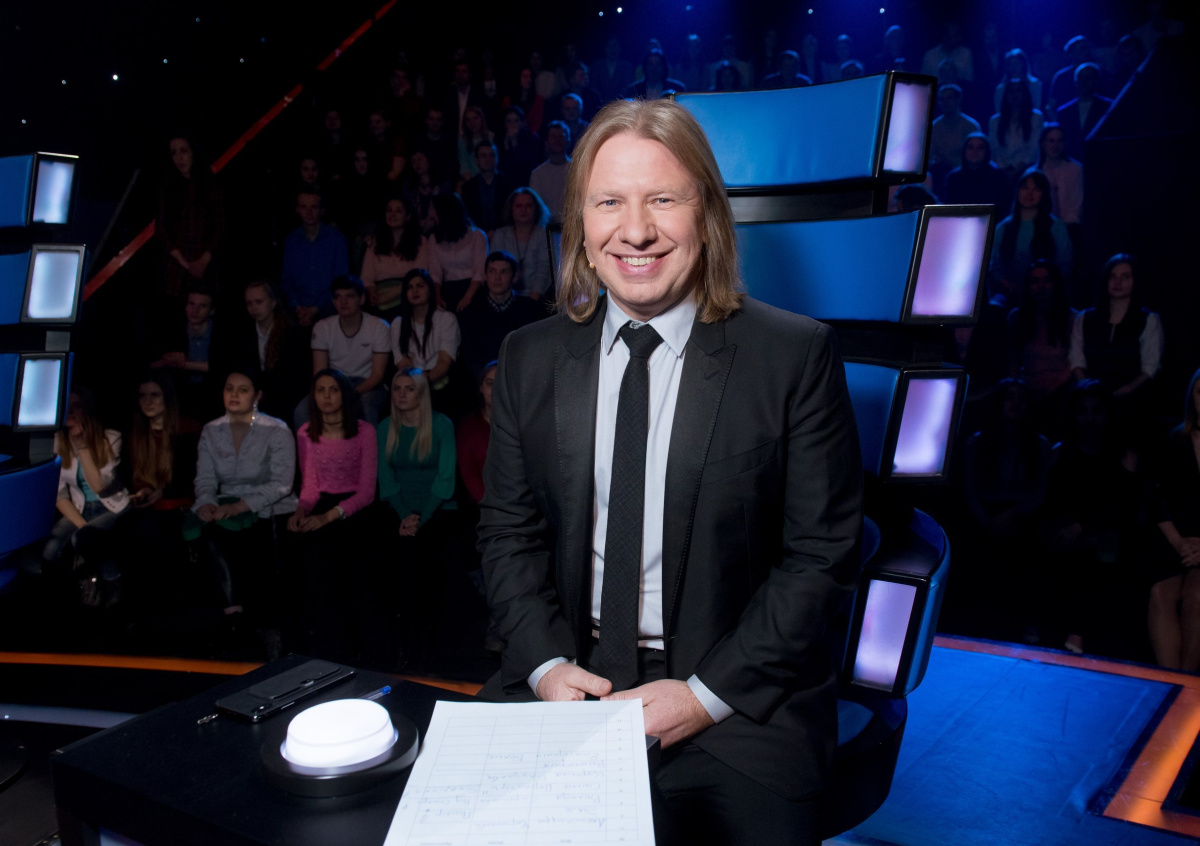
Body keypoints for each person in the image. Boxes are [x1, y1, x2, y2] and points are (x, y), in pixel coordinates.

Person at [477, 98, 862, 845]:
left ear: (707, 215)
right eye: (609, 203)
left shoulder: (794, 357)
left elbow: (821, 558)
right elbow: (507, 534)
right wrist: (548, 667)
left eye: (662, 200)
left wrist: (701, 697)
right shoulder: (529, 357)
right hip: (570, 673)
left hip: (738, 693)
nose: (636, 231)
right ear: (580, 227)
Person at [193, 369, 297, 654]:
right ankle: (233, 616)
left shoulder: (276, 429)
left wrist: (240, 506)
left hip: (269, 506)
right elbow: (205, 479)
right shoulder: (211, 430)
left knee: (253, 537)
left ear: (257, 395)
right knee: (209, 532)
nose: (234, 395)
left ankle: (266, 628)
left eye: (243, 389)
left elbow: (282, 484)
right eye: (229, 388)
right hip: (225, 504)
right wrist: (206, 502)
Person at [287, 369, 378, 660]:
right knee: (309, 555)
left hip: (355, 508)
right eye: (320, 390)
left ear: (344, 394)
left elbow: (366, 492)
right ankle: (322, 648)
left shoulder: (365, 431)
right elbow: (311, 486)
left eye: (333, 390)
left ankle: (361, 650)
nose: (326, 396)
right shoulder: (306, 432)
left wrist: (327, 517)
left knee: (351, 560)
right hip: (322, 503)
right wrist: (301, 510)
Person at [377, 367, 457, 669]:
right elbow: (386, 479)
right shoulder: (385, 427)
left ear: (422, 393)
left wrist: (420, 519)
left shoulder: (441, 425)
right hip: (399, 512)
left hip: (436, 510)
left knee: (425, 565)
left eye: (409, 388)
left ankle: (428, 646)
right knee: (396, 568)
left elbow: (445, 479)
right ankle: (403, 645)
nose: (401, 394)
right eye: (397, 388)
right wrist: (404, 516)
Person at [42, 388, 130, 604]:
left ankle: (113, 580)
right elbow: (59, 494)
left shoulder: (110, 438)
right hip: (81, 509)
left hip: (112, 507)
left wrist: (82, 446)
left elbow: (100, 486)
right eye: (67, 408)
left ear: (87, 410)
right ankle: (79, 582)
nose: (70, 413)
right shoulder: (58, 443)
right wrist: (81, 525)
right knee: (50, 550)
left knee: (81, 540)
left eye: (77, 407)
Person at [1069, 254, 1163, 446]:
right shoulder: (1085, 319)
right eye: (1113, 276)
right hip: (1090, 404)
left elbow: (1150, 368)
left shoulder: (1149, 321)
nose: (1118, 282)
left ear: (1135, 281)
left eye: (1125, 276)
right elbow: (1076, 361)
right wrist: (1091, 391)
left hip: (1131, 404)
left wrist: (1121, 393)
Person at [1148, 369, 1200, 671]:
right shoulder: (1174, 440)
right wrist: (1181, 543)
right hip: (1176, 541)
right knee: (1161, 593)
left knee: (1196, 595)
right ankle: (1170, 681)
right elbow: (1156, 500)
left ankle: (1187, 684)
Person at [307, 275, 391, 425]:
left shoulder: (378, 327)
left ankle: (369, 440)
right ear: (333, 301)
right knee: (302, 411)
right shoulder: (323, 328)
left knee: (365, 405)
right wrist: (333, 391)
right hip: (334, 383)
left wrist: (351, 393)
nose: (343, 302)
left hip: (368, 385)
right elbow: (319, 373)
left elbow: (377, 375)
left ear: (362, 299)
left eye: (349, 296)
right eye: (338, 297)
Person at [1007, 260, 1076, 439]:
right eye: (1035, 281)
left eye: (1047, 280)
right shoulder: (1017, 318)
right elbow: (1012, 363)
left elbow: (1075, 362)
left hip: (1062, 390)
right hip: (1027, 391)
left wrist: (1052, 387)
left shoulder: (1071, 319)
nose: (1041, 286)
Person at [223, 280, 309, 423]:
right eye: (249, 303)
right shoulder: (244, 333)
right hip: (255, 395)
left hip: (284, 397)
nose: (254, 308)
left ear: (273, 302)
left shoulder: (291, 333)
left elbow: (293, 377)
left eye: (259, 302)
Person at [458, 250, 546, 381]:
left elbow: (537, 350)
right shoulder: (471, 313)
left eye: (504, 272)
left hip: (524, 378)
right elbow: (470, 356)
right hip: (485, 380)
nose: (497, 277)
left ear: (515, 276)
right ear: (485, 276)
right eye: (492, 271)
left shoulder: (531, 309)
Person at [989, 170, 1072, 301]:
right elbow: (995, 265)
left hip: (1047, 293)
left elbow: (1065, 264)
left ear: (1044, 194)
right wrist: (1007, 285)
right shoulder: (1003, 228)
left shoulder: (1056, 226)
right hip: (1008, 293)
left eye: (1036, 189)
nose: (1029, 193)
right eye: (1025, 187)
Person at [390, 268, 462, 414]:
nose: (415, 291)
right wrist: (416, 383)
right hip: (410, 383)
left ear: (430, 290)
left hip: (438, 381)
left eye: (420, 286)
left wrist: (424, 380)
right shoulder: (398, 323)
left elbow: (444, 362)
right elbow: (402, 363)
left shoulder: (446, 319)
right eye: (410, 287)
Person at [360, 195, 441, 317]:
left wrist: (387, 296)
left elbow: (418, 273)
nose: (392, 215)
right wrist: (371, 292)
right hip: (379, 297)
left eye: (398, 211)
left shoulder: (419, 241)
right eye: (389, 210)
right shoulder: (374, 242)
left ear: (408, 216)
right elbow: (366, 277)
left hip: (408, 294)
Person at [280, 189, 349, 327]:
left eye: (314, 207)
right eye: (304, 207)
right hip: (297, 313)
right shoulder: (291, 241)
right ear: (297, 210)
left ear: (322, 210)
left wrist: (315, 309)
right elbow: (287, 281)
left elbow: (341, 280)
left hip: (331, 310)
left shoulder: (336, 239)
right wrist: (299, 308)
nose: (309, 212)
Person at [488, 187, 553, 300]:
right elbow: (494, 268)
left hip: (537, 298)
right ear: (511, 209)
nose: (523, 210)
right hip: (505, 298)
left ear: (536, 209)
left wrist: (533, 298)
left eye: (529, 206)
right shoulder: (501, 235)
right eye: (519, 206)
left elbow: (544, 269)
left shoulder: (543, 235)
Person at [430, 193, 489, 312]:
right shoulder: (434, 238)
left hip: (472, 288)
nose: (431, 214)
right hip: (447, 288)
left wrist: (467, 297)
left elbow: (479, 271)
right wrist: (437, 296)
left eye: (434, 210)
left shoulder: (477, 235)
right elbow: (435, 271)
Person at [989, 78, 1044, 183]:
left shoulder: (1036, 118)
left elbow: (1035, 146)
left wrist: (1021, 167)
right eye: (1011, 91)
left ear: (1025, 94)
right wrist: (1004, 168)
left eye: (1019, 90)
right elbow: (994, 148)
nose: (1014, 94)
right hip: (1001, 171)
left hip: (1028, 169)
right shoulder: (995, 121)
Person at [1032, 124, 1083, 226]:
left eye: (1060, 141)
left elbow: (1077, 203)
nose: (1055, 145)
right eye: (1051, 141)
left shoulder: (1075, 169)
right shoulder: (1035, 172)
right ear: (1043, 144)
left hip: (1071, 225)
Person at [942, 133, 1009, 208]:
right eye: (970, 147)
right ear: (964, 151)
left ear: (987, 151)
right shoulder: (953, 178)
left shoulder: (998, 177)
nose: (975, 151)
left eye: (980, 148)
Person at [529, 121, 571, 224]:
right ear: (547, 141)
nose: (557, 140)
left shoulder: (579, 171)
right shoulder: (537, 174)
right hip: (546, 228)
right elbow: (537, 207)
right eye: (553, 137)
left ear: (568, 140)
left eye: (561, 136)